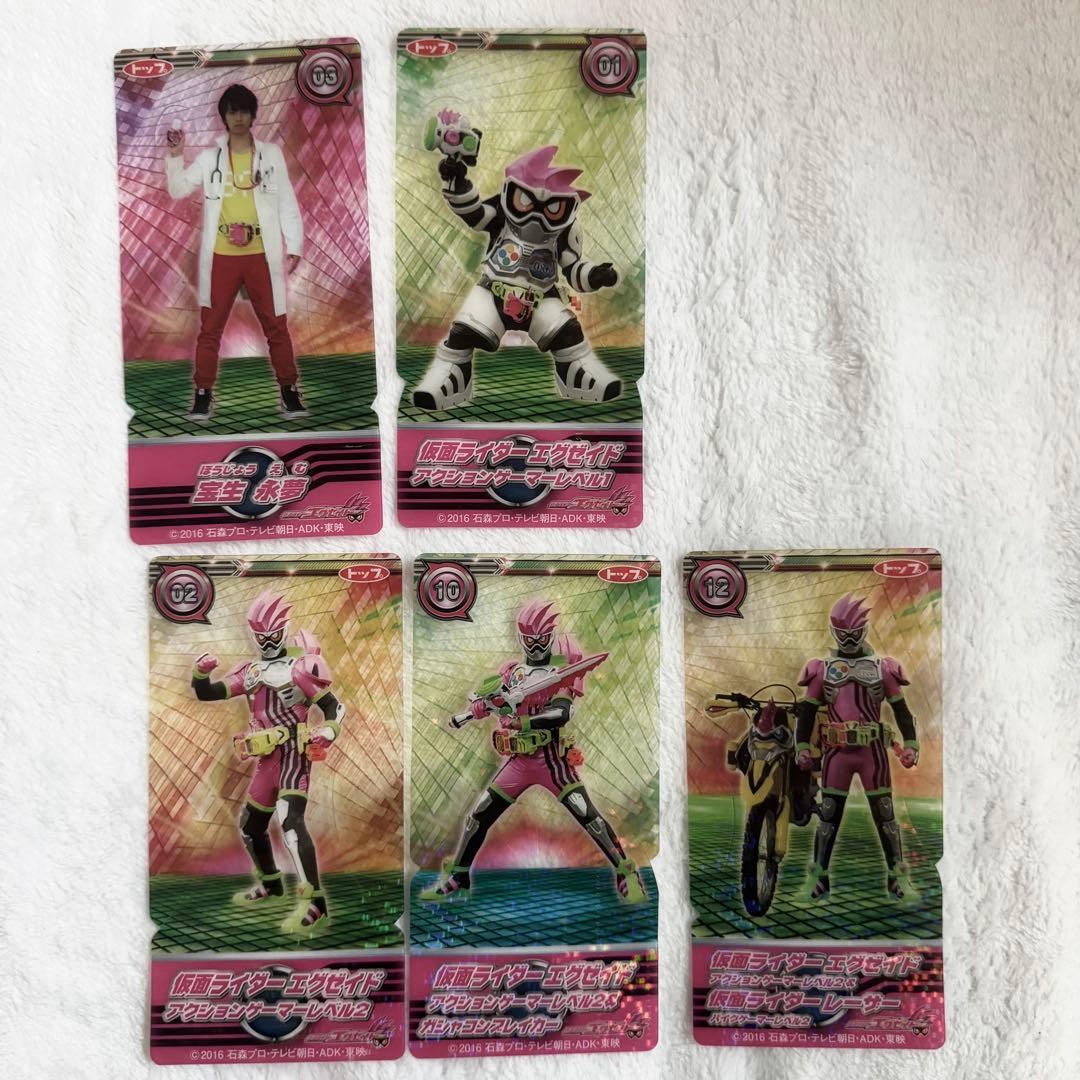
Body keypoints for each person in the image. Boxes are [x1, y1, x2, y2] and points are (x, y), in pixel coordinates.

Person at [421, 599, 647, 904]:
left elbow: (561, 713)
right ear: (521, 638)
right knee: (479, 815)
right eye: (530, 640)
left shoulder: (561, 671)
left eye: (542, 639)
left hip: (551, 760)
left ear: (551, 637)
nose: (537, 646)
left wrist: (521, 721)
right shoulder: (511, 673)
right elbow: (489, 702)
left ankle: (626, 872)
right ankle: (459, 877)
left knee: (586, 813)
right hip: (518, 761)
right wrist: (477, 711)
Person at [414, 116, 622, 410]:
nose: (536, 215)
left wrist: (597, 275)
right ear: (512, 193)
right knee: (462, 334)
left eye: (552, 208)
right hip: (493, 291)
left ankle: (578, 375)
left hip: (542, 298)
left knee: (568, 335)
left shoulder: (565, 230)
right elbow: (473, 213)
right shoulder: (502, 214)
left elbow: (574, 269)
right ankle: (450, 379)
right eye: (526, 201)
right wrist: (457, 181)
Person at [191, 592, 343, 933]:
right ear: (254, 636)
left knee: (291, 823)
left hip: (294, 756)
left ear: (284, 631)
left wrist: (329, 731)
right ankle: (272, 883)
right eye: (262, 638)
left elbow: (334, 706)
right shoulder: (250, 672)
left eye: (274, 635)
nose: (269, 643)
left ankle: (316, 902)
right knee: (250, 826)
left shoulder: (301, 668)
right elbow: (208, 693)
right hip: (266, 760)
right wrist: (200, 673)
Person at [166, 84, 307, 421]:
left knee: (276, 326)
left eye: (244, 111)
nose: (239, 117)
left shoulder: (270, 154)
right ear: (224, 117)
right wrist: (175, 156)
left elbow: (286, 200)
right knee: (210, 328)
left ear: (253, 114)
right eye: (232, 111)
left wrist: (294, 244)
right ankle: (202, 393)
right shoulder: (210, 158)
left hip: (262, 254)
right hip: (221, 256)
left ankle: (289, 391)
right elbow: (178, 189)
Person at [795, 594, 921, 900]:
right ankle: (818, 877)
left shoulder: (883, 668)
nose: (849, 641)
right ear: (834, 632)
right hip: (837, 753)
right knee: (828, 813)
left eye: (854, 634)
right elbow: (807, 712)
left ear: (864, 631)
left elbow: (901, 710)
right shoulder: (821, 668)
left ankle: (898, 877)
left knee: (885, 813)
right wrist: (802, 746)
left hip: (871, 753)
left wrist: (911, 744)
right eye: (843, 635)